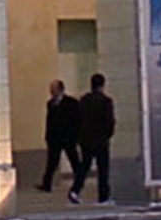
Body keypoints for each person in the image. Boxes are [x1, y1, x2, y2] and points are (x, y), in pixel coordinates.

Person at [74, 73, 116, 205]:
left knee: (84, 167)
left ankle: (75, 190)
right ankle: (103, 197)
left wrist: (80, 137)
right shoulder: (106, 101)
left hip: (86, 140)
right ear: (103, 85)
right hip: (101, 140)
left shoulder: (83, 100)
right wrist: (107, 135)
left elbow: (77, 120)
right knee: (103, 169)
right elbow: (110, 122)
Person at [38, 79, 81, 195]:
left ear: (60, 89)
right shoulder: (50, 104)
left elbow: (76, 121)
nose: (51, 91)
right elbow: (49, 122)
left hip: (68, 138)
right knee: (52, 162)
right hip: (55, 139)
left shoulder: (71, 103)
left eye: (53, 89)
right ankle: (46, 184)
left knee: (74, 161)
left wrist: (76, 136)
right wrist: (47, 136)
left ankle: (79, 182)